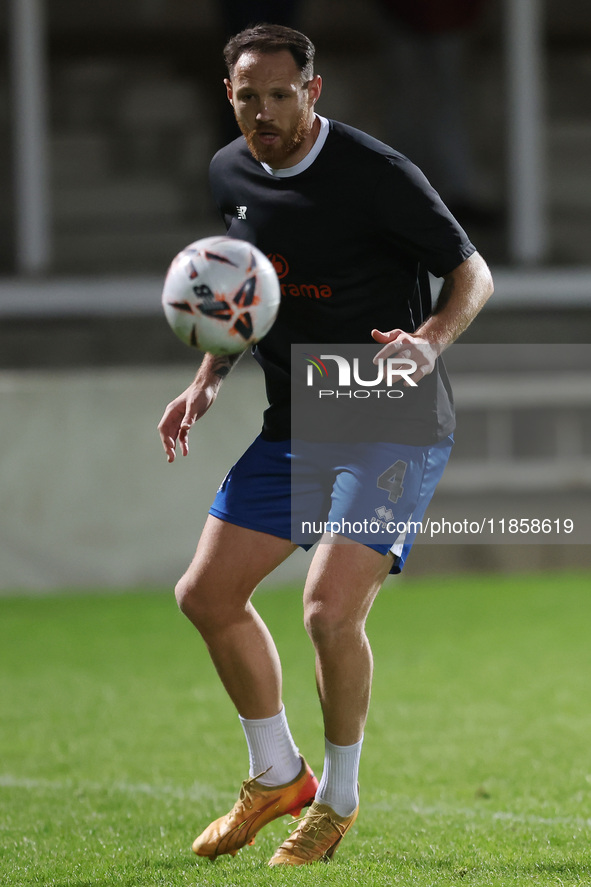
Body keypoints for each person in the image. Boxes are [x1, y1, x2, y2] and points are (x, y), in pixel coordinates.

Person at [157, 23, 493, 866]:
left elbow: (472, 273)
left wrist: (429, 339)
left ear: (314, 92)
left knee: (326, 610)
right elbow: (246, 291)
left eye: (279, 94)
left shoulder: (376, 175)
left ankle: (337, 799)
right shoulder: (228, 171)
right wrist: (206, 378)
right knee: (204, 594)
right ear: (226, 95)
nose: (263, 112)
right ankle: (276, 774)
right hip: (300, 419)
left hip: (392, 418)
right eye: (247, 97)